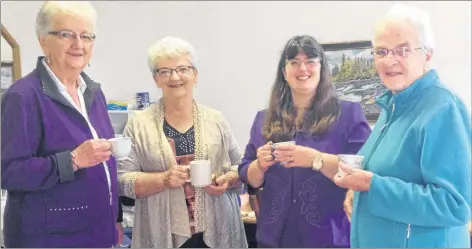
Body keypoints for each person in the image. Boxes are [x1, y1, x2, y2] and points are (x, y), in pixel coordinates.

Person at [334, 4, 471, 248]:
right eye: (381, 51)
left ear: (428, 54)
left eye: (403, 50)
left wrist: (371, 186)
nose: (390, 60)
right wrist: (356, 192)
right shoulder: (392, 107)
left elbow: (455, 205)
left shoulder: (443, 109)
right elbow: (383, 174)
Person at [1, 1, 123, 247]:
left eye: (86, 36)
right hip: (49, 238)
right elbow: (8, 172)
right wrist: (73, 160)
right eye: (66, 34)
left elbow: (105, 165)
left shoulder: (94, 92)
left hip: (97, 230)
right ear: (43, 40)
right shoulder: (22, 96)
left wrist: (115, 219)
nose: (78, 44)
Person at [238, 35, 372, 248]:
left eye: (310, 61)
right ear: (284, 71)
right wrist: (259, 164)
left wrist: (315, 159)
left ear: (322, 68)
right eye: (294, 63)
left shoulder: (348, 115)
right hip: (274, 238)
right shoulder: (264, 119)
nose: (303, 69)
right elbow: (249, 177)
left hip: (330, 238)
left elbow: (362, 170)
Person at [117, 36, 248, 248]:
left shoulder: (216, 120)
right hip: (163, 233)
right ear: (156, 79)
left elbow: (241, 166)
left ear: (195, 75)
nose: (175, 76)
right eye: (165, 71)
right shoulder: (138, 125)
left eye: (183, 69)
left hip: (217, 229)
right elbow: (122, 180)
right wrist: (163, 179)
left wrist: (227, 180)